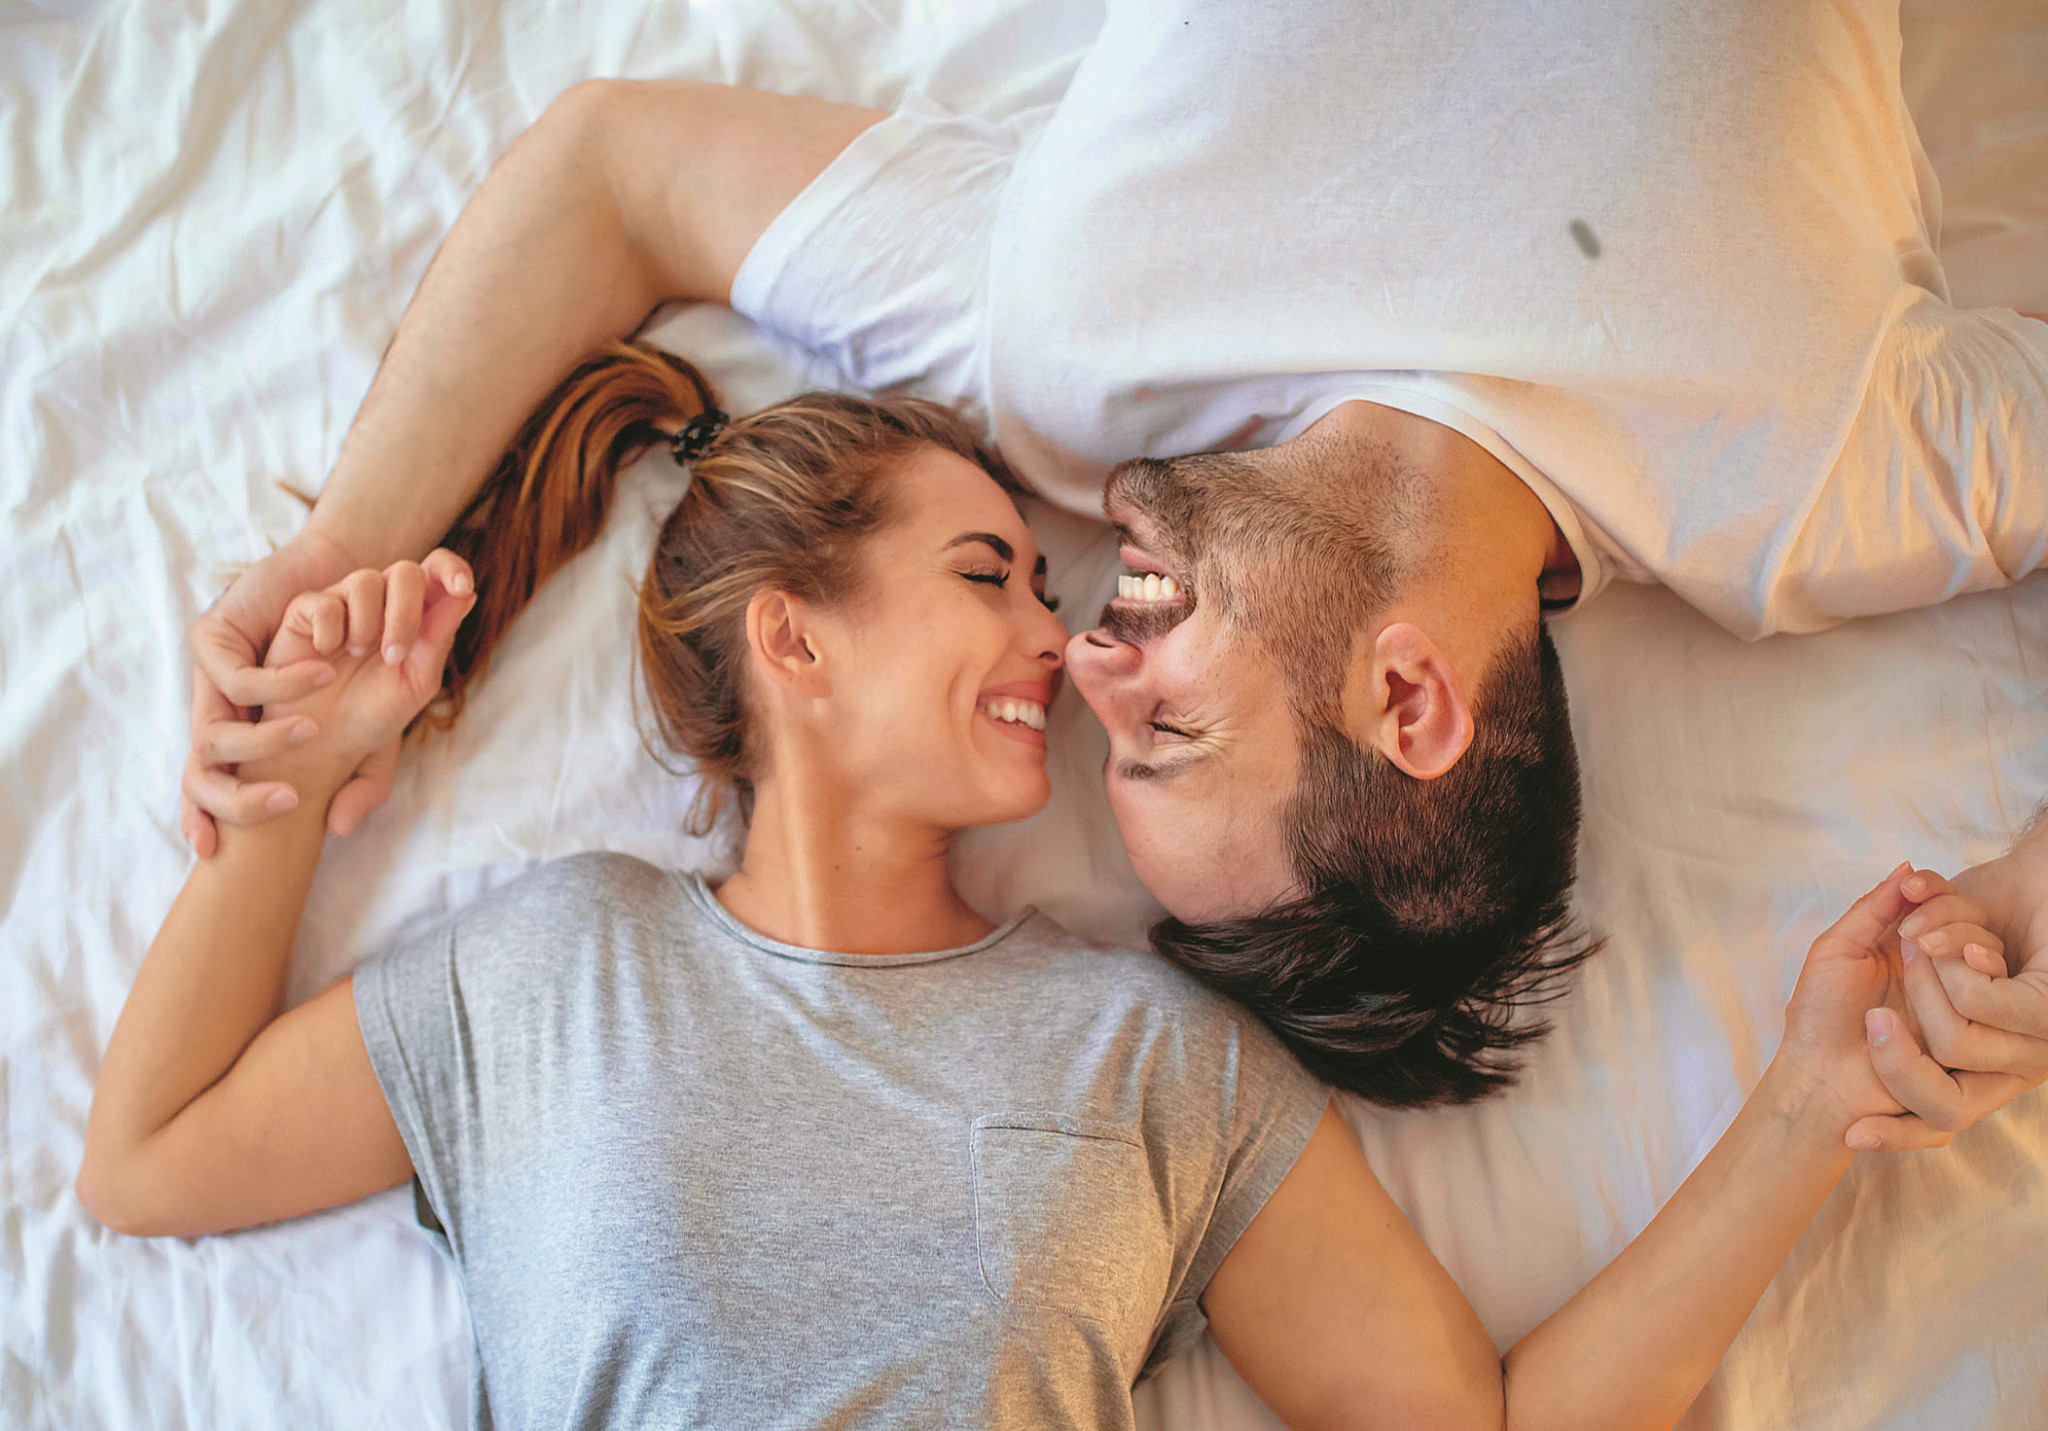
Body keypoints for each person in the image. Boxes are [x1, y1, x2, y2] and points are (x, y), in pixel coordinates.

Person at [79, 345, 2048, 1430]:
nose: (1059, 627)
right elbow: (148, 1157)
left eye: (1042, 577)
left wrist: (1814, 1098)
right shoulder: (551, 971)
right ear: (794, 641)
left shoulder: (1153, 1054)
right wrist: (302, 781)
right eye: (986, 577)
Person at [176, 2, 2048, 1106]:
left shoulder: (1068, 379)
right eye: (1170, 729)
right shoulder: (1813, 480)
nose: (1086, 662)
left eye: (1112, 729)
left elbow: (611, 171)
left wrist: (338, 550)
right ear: (1409, 699)